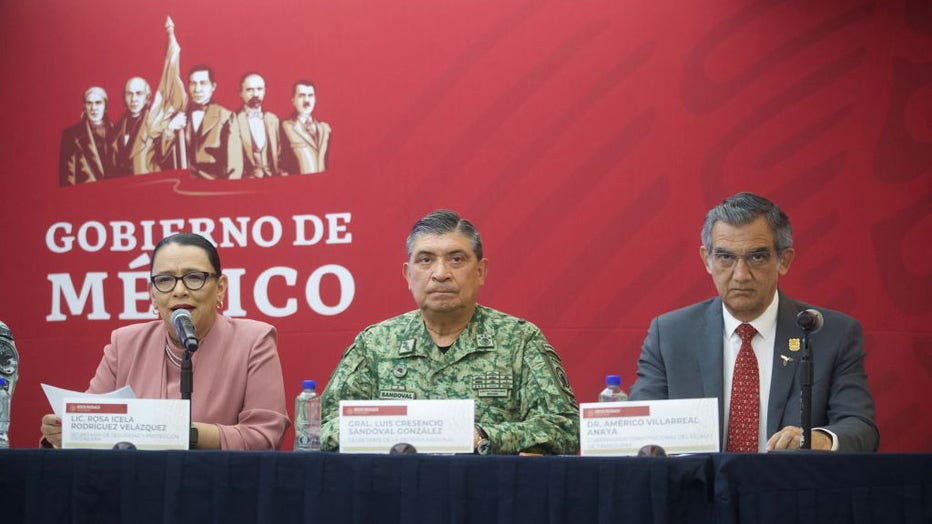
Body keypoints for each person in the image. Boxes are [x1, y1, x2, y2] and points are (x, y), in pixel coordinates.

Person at [629, 192, 878, 452]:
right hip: (696, 489)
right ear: (707, 260)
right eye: (726, 257)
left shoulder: (829, 334)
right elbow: (641, 427)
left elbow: (860, 427)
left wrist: (820, 439)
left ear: (784, 260)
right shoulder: (670, 335)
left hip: (788, 488)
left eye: (756, 257)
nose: (741, 275)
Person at [320, 210, 578, 454]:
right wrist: (399, 434)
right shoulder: (375, 344)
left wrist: (482, 437)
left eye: (456, 259)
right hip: (395, 491)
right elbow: (323, 428)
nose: (441, 274)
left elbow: (564, 427)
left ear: (480, 271)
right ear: (408, 275)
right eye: (426, 260)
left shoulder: (519, 340)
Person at [40, 233, 290, 449]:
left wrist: (178, 430)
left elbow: (264, 436)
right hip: (134, 488)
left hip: (218, 490)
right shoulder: (124, 343)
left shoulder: (254, 341)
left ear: (220, 288)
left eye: (194, 277)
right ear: (152, 294)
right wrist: (65, 431)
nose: (179, 290)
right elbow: (91, 422)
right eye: (165, 280)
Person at [162, 65, 243, 179]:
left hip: (214, 189)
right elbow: (162, 156)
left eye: (203, 83)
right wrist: (170, 129)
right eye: (193, 83)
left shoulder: (226, 116)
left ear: (213, 86)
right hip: (184, 188)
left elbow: (234, 167)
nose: (197, 89)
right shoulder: (179, 116)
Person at [59, 86, 113, 186]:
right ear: (84, 106)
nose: (93, 108)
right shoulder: (71, 135)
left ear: (105, 106)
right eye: (89, 103)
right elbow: (68, 179)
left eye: (98, 103)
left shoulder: (116, 131)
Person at [233, 73, 282, 178]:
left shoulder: (273, 119)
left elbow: (280, 152)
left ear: (264, 91)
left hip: (273, 178)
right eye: (249, 90)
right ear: (240, 93)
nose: (255, 94)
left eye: (259, 89)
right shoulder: (234, 120)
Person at [111, 77, 161, 175]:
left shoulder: (155, 124)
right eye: (129, 94)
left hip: (147, 185)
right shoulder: (116, 128)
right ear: (124, 97)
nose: (134, 99)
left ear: (147, 97)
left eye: (139, 93)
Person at [281, 80, 331, 174]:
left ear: (315, 99)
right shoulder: (285, 127)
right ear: (293, 101)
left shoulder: (325, 129)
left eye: (310, 95)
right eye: (301, 96)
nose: (307, 100)